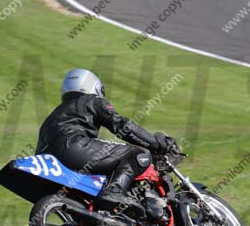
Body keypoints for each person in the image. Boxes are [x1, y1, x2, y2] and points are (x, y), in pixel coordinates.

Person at [36, 68, 178, 212]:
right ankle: (114, 191)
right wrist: (156, 143)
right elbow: (122, 126)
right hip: (73, 147)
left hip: (47, 158)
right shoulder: (91, 100)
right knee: (137, 154)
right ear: (94, 86)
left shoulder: (54, 114)